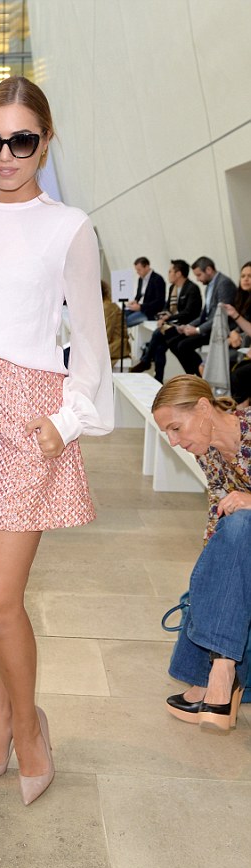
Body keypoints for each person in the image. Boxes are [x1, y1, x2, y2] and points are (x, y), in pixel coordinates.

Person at [0, 76, 113, 806]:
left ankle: (32, 731)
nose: (5, 154)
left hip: (24, 422)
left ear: (46, 142)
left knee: (0, 599)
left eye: (21, 140)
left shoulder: (68, 226)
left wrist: (67, 421)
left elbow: (92, 339)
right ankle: (0, 730)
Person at [152, 375, 251, 732]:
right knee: (214, 568)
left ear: (204, 408)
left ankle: (219, 673)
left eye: (176, 428)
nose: (173, 441)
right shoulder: (208, 453)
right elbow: (216, 516)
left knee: (242, 524)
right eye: (167, 433)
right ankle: (221, 675)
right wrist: (209, 578)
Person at [130, 259, 201, 381]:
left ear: (178, 274)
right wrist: (162, 316)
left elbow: (189, 313)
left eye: (170, 271)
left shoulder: (192, 289)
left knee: (158, 334)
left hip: (187, 325)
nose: (168, 274)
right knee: (160, 346)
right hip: (173, 324)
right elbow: (167, 307)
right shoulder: (173, 287)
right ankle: (157, 378)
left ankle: (146, 361)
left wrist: (169, 318)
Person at [166, 257, 237, 376]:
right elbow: (204, 314)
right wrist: (188, 326)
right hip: (210, 327)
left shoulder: (224, 284)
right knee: (172, 340)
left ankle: (201, 376)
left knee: (183, 345)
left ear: (208, 270)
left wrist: (198, 330)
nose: (198, 279)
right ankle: (195, 376)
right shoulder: (209, 286)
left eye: (199, 275)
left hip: (221, 329)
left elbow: (221, 316)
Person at [225, 261, 251, 405]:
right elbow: (242, 326)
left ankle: (241, 413)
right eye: (243, 276)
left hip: (245, 347)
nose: (246, 279)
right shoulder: (242, 298)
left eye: (250, 276)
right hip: (246, 347)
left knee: (238, 374)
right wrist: (233, 332)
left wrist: (236, 316)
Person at [125, 256, 166, 328]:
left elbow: (159, 301)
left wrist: (141, 307)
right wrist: (135, 301)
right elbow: (139, 295)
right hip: (140, 308)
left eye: (139, 270)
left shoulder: (158, 279)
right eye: (136, 270)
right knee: (118, 316)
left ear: (147, 267)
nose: (137, 272)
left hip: (150, 312)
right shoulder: (140, 279)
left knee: (126, 321)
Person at [101, 279, 131, 366]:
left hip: (116, 346)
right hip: (113, 344)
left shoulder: (108, 307)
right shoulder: (105, 305)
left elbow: (106, 333)